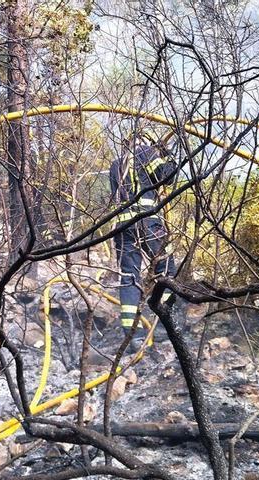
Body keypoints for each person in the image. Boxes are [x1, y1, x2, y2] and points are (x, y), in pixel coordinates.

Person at [108, 128, 179, 353]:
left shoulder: (115, 164)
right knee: (166, 267)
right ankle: (164, 325)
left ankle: (132, 335)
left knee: (129, 275)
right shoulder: (145, 153)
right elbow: (168, 175)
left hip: (123, 228)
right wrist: (167, 154)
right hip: (148, 222)